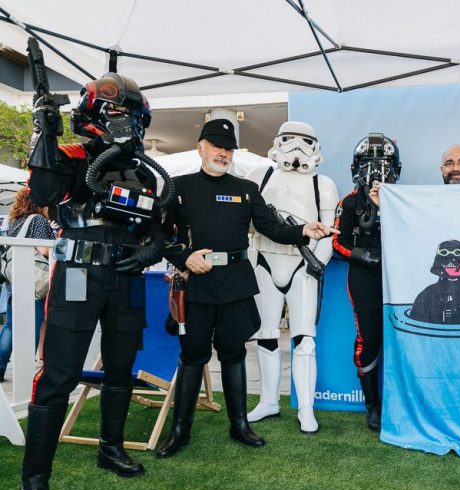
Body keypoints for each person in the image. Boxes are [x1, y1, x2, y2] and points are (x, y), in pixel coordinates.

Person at [19, 73, 171, 490]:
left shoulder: (144, 173)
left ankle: (111, 448)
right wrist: (44, 133)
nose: (125, 122)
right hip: (78, 275)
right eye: (117, 113)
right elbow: (43, 192)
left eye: (131, 115)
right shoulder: (71, 156)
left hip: (127, 278)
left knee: (121, 367)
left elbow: (157, 229)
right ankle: (34, 482)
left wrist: (149, 252)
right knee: (59, 375)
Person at [157, 119, 336, 458]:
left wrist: (303, 232)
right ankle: (180, 430)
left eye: (228, 148)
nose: (222, 153)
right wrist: (183, 256)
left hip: (236, 284)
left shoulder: (246, 188)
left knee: (234, 354)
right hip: (196, 284)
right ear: (200, 148)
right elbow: (159, 235)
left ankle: (239, 424)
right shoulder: (177, 187)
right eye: (216, 146)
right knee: (193, 356)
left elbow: (271, 228)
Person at [246, 121, 339, 433]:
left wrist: (317, 264)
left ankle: (306, 407)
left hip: (303, 264)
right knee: (266, 333)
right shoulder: (260, 176)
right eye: (289, 139)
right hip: (264, 260)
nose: (297, 147)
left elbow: (329, 232)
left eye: (304, 141)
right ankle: (268, 400)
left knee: (305, 338)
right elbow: (244, 223)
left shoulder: (323, 185)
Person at [333, 133, 401, 432]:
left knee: (403, 337)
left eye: (383, 162)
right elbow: (337, 242)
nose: (375, 169)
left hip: (399, 275)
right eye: (368, 163)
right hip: (363, 276)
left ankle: (402, 401)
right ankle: (372, 404)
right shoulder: (349, 202)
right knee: (369, 338)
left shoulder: (405, 199)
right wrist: (361, 255)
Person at [0, 188, 55, 383]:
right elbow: (44, 250)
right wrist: (53, 235)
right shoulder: (38, 220)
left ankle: (0, 367)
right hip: (33, 280)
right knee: (33, 323)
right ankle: (24, 371)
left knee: (10, 324)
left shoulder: (15, 220)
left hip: (13, 278)